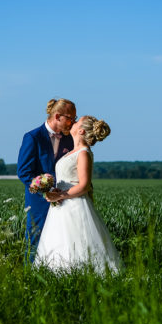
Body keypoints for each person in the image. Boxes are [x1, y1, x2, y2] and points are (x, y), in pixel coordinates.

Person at [34, 116, 123, 274]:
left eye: (76, 122)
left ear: (80, 130)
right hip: (61, 204)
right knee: (60, 240)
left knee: (77, 241)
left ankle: (80, 274)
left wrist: (60, 195)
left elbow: (83, 185)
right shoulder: (72, 152)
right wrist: (54, 191)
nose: (72, 123)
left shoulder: (83, 153)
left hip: (73, 204)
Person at [17, 98, 77, 261]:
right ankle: (30, 278)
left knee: (62, 242)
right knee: (35, 241)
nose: (73, 123)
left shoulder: (70, 139)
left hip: (65, 199)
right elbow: (24, 172)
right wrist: (47, 190)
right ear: (58, 116)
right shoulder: (32, 137)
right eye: (71, 118)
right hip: (39, 202)